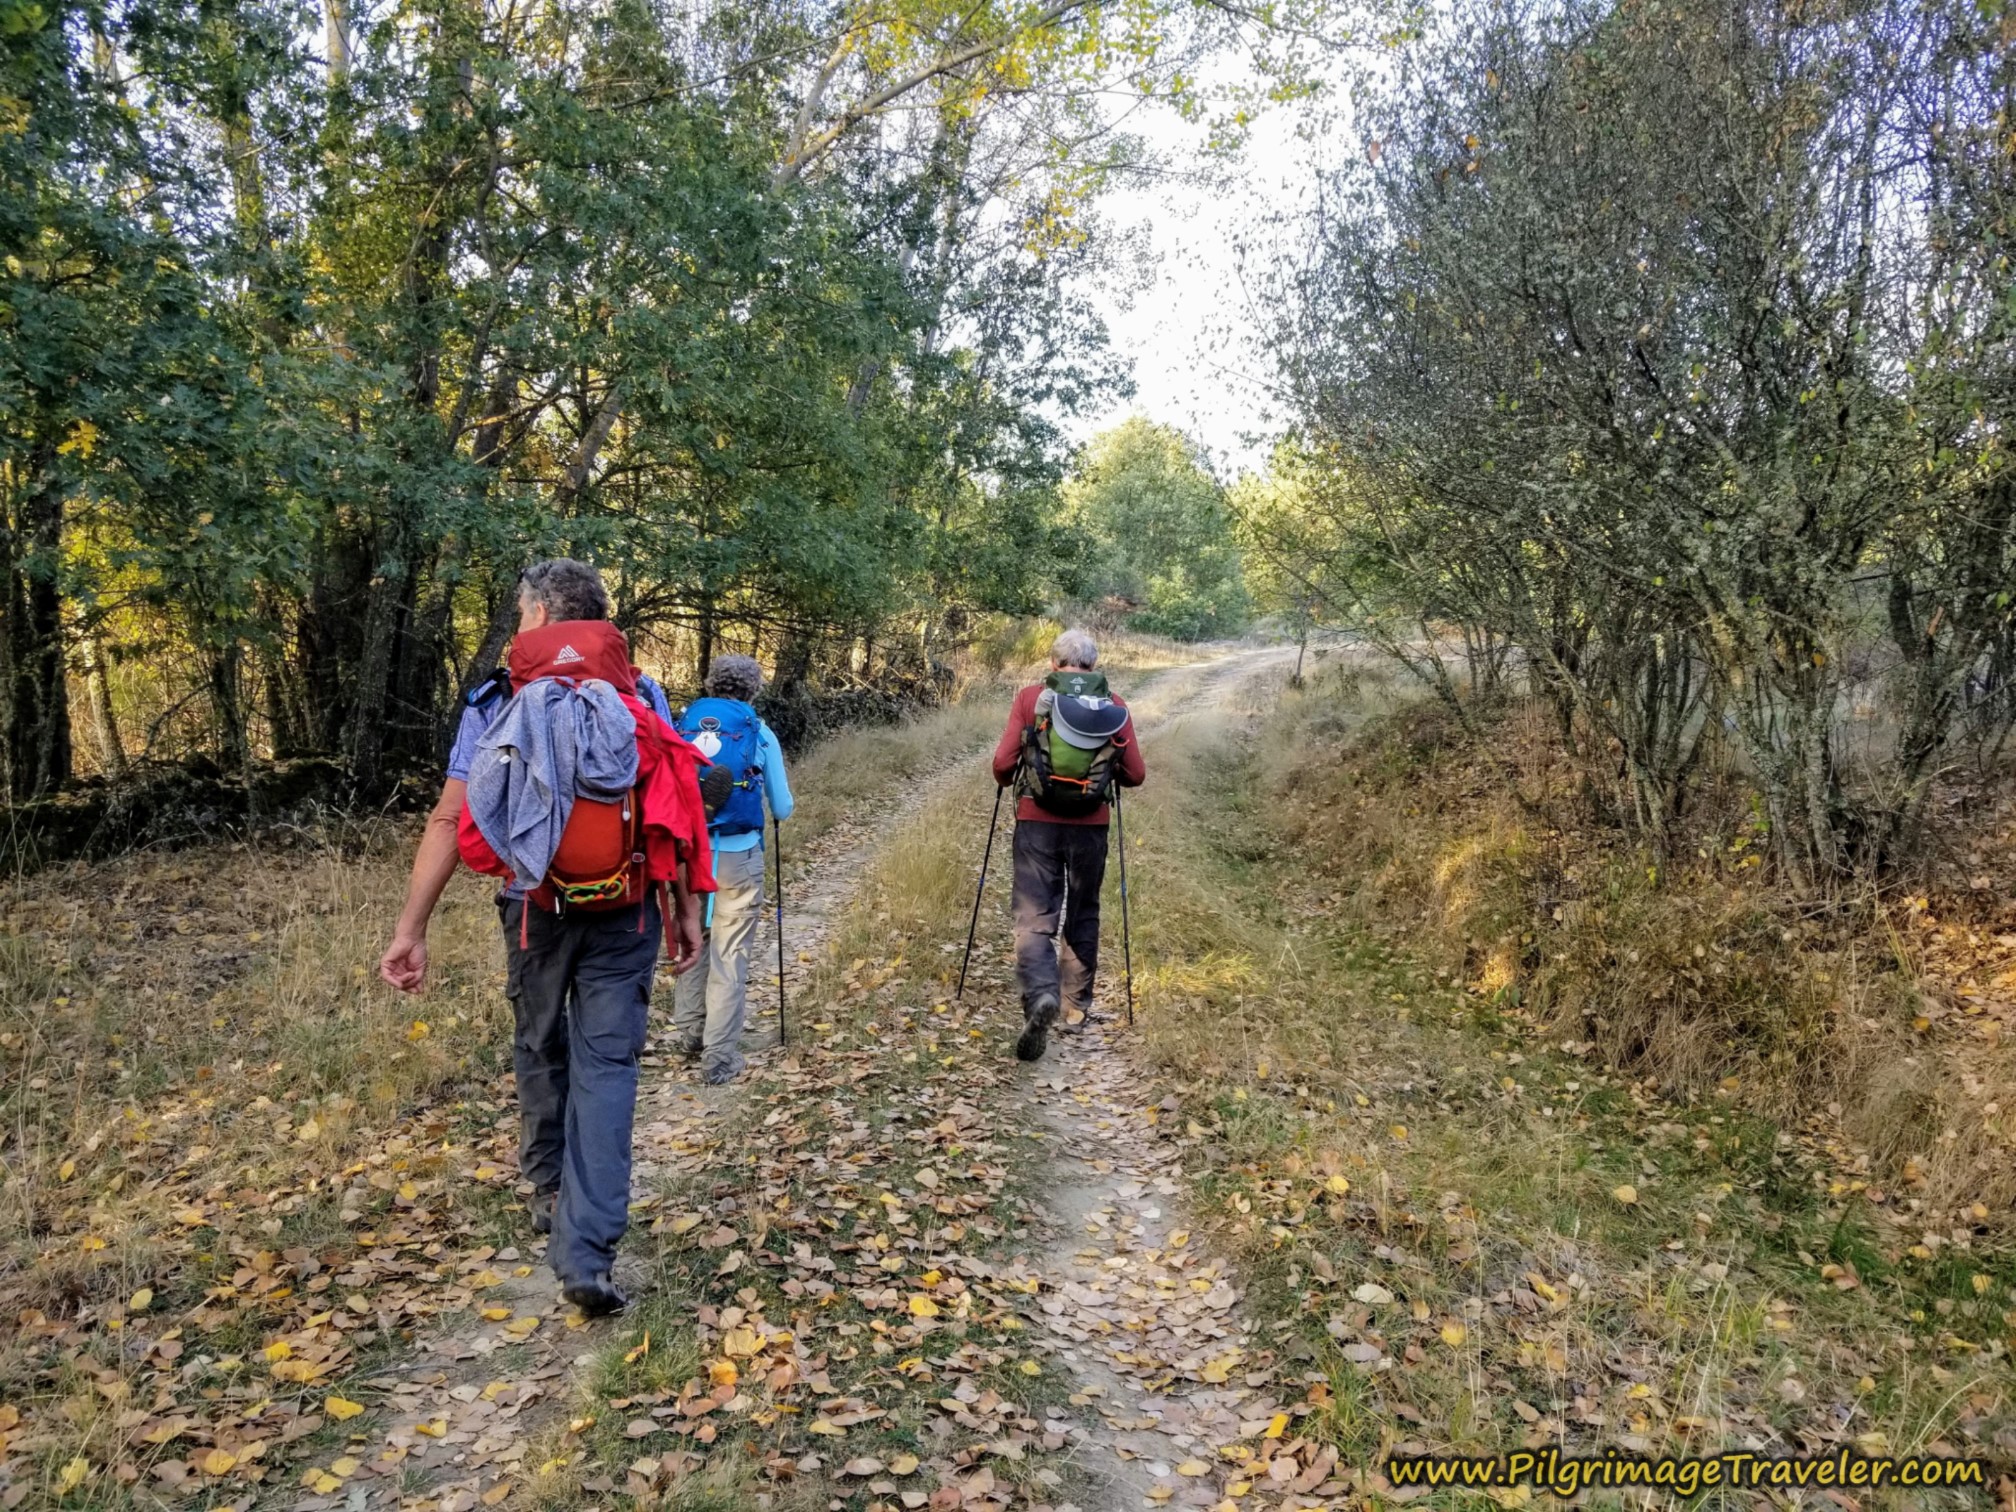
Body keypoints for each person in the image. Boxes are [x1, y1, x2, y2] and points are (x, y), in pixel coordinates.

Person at [379, 558, 712, 1317]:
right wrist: (686, 910)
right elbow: (671, 806)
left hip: (532, 908)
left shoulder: (498, 699)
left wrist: (411, 930)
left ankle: (547, 1188)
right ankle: (587, 1251)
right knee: (609, 1065)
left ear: (535, 615)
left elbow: (447, 819)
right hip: (626, 910)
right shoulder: (641, 695)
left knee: (539, 1044)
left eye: (520, 611)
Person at [991, 628, 1146, 1062]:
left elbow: (1003, 765)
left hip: (1036, 823)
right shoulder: (1114, 706)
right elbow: (1135, 774)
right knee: (1083, 911)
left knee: (1034, 917)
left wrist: (1010, 777)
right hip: (1091, 827)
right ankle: (1075, 1006)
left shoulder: (1031, 698)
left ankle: (1042, 997)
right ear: (1093, 666)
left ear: (1053, 663)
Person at [672, 654, 794, 1084]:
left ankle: (690, 1033)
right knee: (730, 953)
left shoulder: (682, 726)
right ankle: (719, 1057)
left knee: (694, 938)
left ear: (711, 684)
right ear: (752, 690)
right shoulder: (759, 733)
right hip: (738, 855)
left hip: (688, 851)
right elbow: (781, 806)